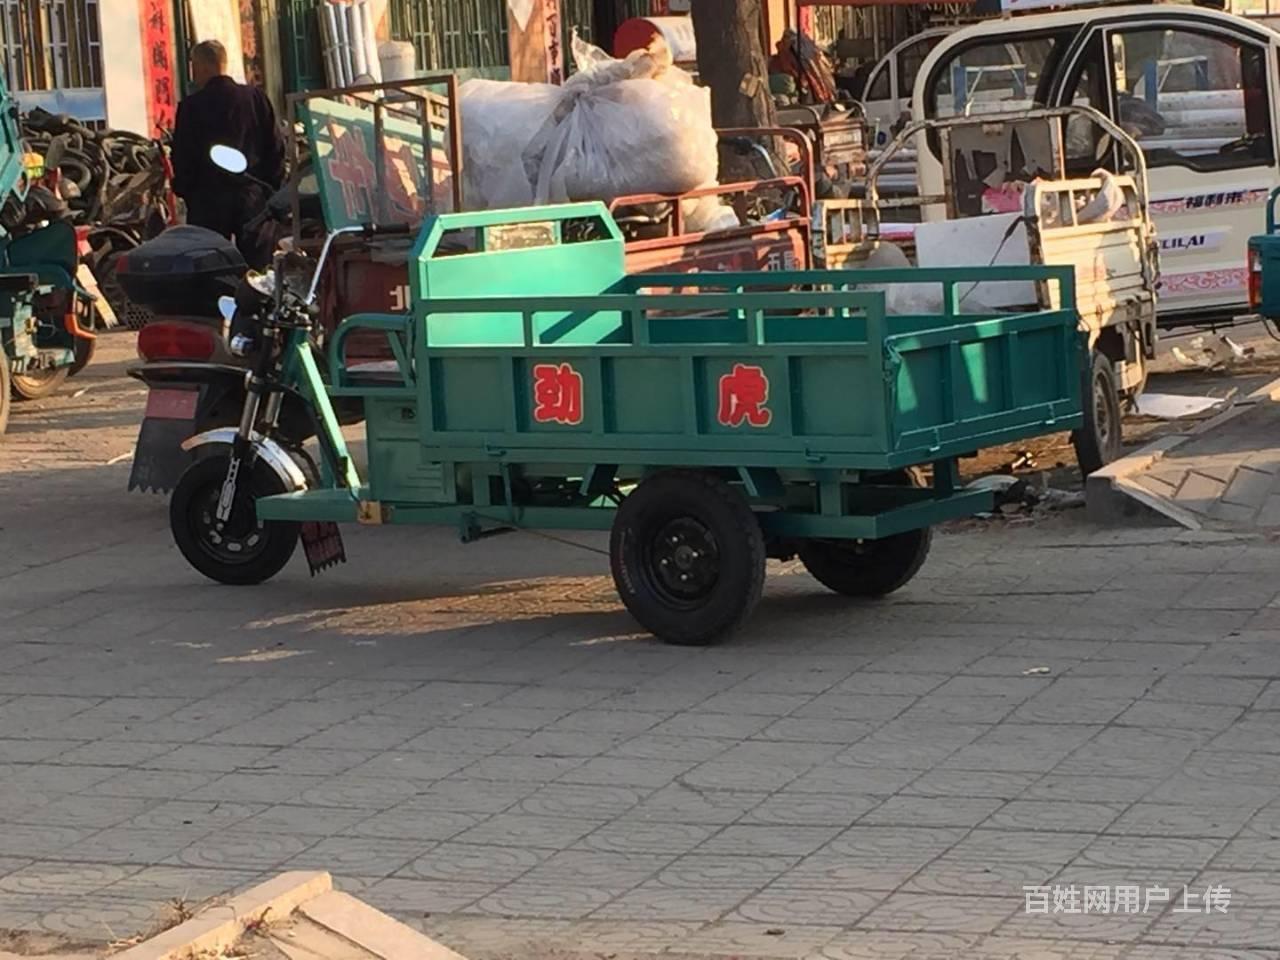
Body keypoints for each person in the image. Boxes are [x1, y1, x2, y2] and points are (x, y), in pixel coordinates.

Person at [171, 40, 285, 269]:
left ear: (203, 67)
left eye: (194, 66)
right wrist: (270, 190)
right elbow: (275, 148)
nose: (193, 73)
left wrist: (186, 191)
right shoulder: (256, 99)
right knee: (259, 271)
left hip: (208, 201)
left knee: (212, 270)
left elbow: (183, 157)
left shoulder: (192, 107)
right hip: (253, 197)